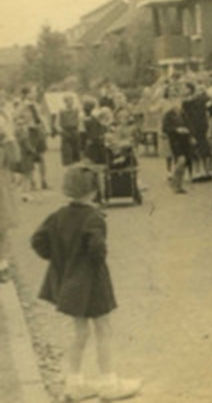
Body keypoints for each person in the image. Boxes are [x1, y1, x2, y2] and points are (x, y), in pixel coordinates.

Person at [30, 165, 142, 401]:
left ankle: (74, 382)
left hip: (70, 283)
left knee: (79, 333)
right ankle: (109, 382)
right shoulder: (94, 217)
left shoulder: (57, 216)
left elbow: (37, 240)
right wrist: (94, 260)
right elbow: (97, 248)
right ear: (94, 191)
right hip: (93, 282)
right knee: (103, 329)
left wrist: (59, 257)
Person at [0, 113, 20, 283]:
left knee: (2, 227)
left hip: (1, 188)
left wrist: (9, 137)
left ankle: (2, 264)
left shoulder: (5, 144)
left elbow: (15, 158)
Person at [57, 95, 83, 166]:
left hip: (75, 131)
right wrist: (61, 131)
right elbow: (57, 124)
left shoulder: (76, 110)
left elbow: (80, 120)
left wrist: (79, 130)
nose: (71, 103)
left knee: (76, 151)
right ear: (65, 102)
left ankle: (76, 166)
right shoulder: (61, 111)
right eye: (68, 101)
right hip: (65, 131)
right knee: (67, 151)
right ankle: (68, 166)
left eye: (72, 101)